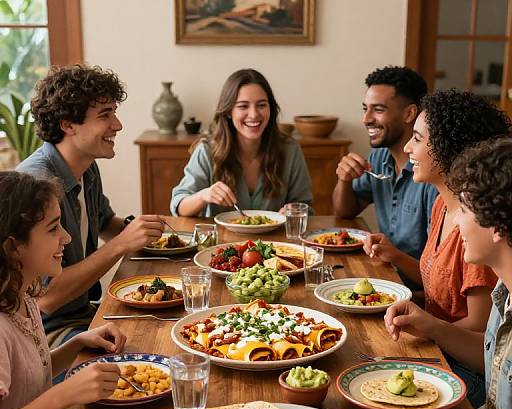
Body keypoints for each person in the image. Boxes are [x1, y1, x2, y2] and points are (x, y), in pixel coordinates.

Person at [384, 137, 512, 409]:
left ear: (498, 227)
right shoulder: (504, 294)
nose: (459, 221)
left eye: (466, 211)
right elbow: (492, 363)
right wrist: (432, 327)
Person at [0, 172, 126, 409]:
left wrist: (74, 347)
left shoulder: (21, 295)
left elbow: (22, 381)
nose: (67, 238)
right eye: (53, 229)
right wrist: (62, 395)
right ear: (13, 247)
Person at [17, 65, 165, 346]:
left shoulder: (87, 167)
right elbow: (47, 298)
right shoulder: (37, 183)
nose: (117, 125)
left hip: (85, 314)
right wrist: (122, 244)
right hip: (47, 334)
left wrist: (151, 235)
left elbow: (106, 222)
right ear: (68, 125)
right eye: (105, 115)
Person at [332, 66, 438, 289]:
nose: (366, 119)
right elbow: (345, 211)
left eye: (378, 110)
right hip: (383, 277)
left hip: (418, 293)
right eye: (365, 109)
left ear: (409, 113)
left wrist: (394, 255)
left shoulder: (432, 175)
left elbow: (440, 278)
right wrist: (344, 179)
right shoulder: (378, 157)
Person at [170, 68, 313, 217]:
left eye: (261, 105)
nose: (253, 114)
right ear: (228, 112)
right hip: (222, 240)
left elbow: (305, 206)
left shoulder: (290, 149)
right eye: (243, 106)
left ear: (271, 109)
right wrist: (204, 195)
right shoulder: (207, 150)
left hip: (276, 240)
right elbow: (179, 206)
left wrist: (294, 211)